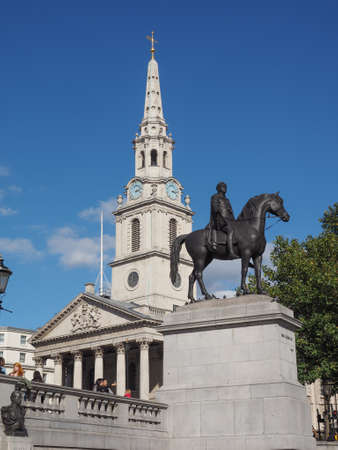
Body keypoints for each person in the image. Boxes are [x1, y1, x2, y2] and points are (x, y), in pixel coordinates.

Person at [208, 181, 236, 257]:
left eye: (225, 187)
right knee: (230, 230)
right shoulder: (215, 197)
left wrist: (235, 222)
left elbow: (231, 212)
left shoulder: (227, 200)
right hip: (219, 221)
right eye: (223, 186)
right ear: (218, 188)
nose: (225, 188)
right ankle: (230, 252)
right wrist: (222, 219)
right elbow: (215, 209)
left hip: (229, 220)